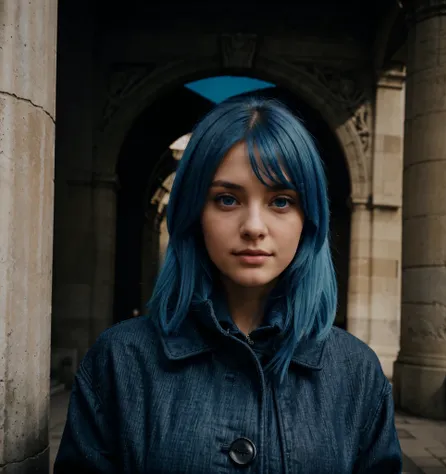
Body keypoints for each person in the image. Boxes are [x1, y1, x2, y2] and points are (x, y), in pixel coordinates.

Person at [54, 96, 402, 473]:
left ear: (309, 219)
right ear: (193, 214)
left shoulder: (356, 372)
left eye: (281, 201)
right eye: (227, 199)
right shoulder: (120, 361)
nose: (254, 226)